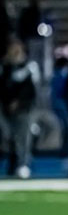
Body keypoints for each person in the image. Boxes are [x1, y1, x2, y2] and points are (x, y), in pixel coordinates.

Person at [0, 40, 40, 178]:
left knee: (24, 138)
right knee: (9, 137)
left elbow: (31, 90)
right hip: (6, 109)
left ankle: (23, 164)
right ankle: (12, 164)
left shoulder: (29, 67)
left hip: (24, 108)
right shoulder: (5, 67)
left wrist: (20, 102)